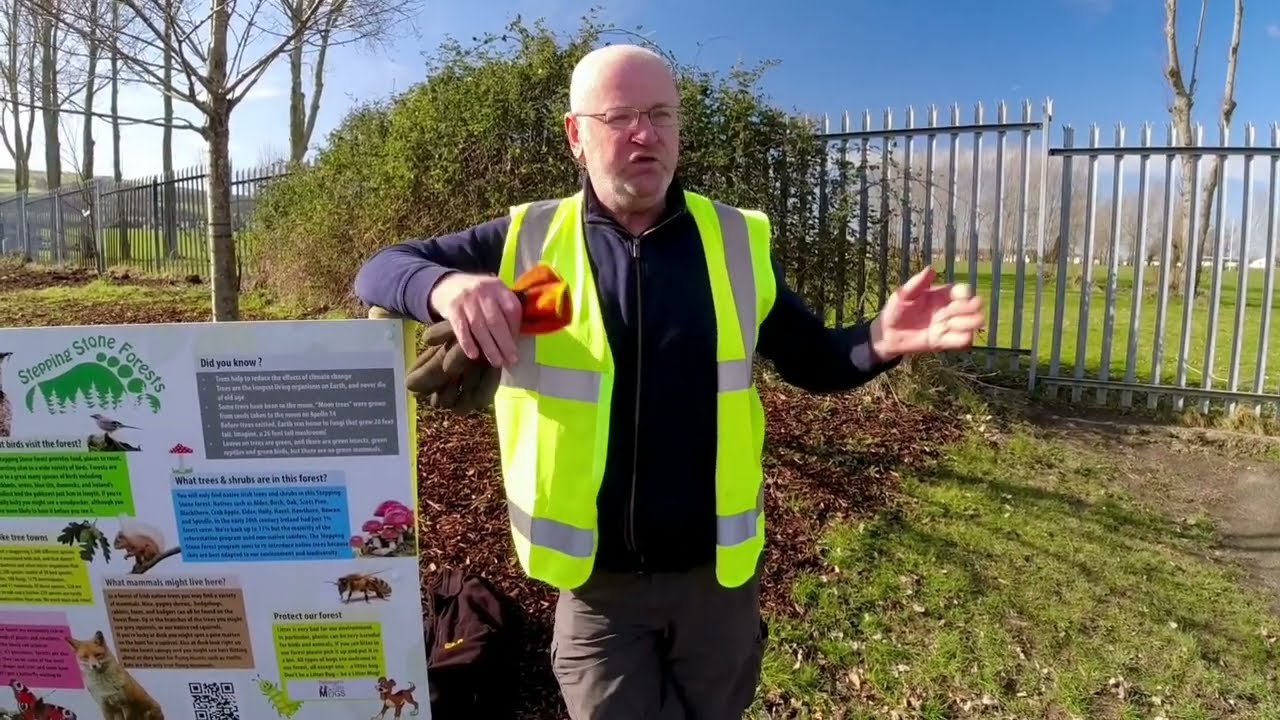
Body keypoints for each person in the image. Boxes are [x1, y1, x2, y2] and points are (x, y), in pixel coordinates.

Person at [353, 43, 985, 720]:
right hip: (597, 591)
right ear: (576, 135)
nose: (644, 134)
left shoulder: (737, 241)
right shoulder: (525, 238)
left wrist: (881, 339)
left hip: (716, 587)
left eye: (661, 114)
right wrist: (446, 286)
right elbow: (380, 269)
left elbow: (817, 362)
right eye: (620, 116)